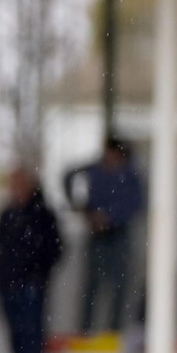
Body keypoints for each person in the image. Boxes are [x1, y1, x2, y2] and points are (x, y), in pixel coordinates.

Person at [0, 167, 64, 353]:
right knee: (16, 336)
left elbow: (54, 249)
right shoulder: (8, 214)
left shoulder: (41, 214)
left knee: (31, 336)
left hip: (30, 284)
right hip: (8, 284)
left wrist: (36, 275)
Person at [66, 138, 144, 333]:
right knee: (91, 285)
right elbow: (68, 175)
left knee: (119, 285)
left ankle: (113, 330)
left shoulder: (129, 175)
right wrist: (82, 208)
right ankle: (85, 330)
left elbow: (137, 205)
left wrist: (109, 217)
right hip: (97, 235)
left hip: (119, 234)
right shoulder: (94, 170)